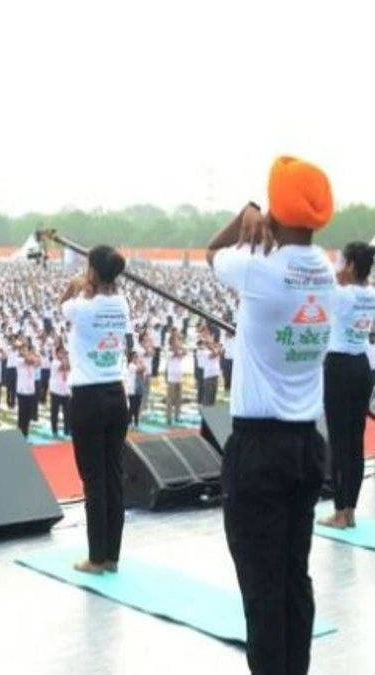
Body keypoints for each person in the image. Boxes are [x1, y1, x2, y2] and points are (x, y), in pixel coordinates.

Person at [206, 156, 338, 675]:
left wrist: (245, 214)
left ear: (274, 211)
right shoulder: (325, 270)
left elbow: (211, 252)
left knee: (261, 588)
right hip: (307, 447)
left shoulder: (258, 270)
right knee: (293, 580)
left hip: (259, 449)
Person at [61, 244, 131, 575]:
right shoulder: (122, 303)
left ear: (92, 271)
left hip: (88, 397)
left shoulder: (81, 308)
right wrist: (88, 285)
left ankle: (96, 557)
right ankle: (112, 556)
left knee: (94, 480)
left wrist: (76, 285)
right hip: (116, 393)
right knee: (113, 477)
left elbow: (62, 306)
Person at [318, 242, 375, 530]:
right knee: (355, 442)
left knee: (340, 442)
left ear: (351, 265)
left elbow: (325, 282)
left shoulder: (341, 295)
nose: (338, 266)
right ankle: (350, 509)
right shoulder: (371, 294)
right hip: (362, 368)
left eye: (342, 261)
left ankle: (340, 512)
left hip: (339, 367)